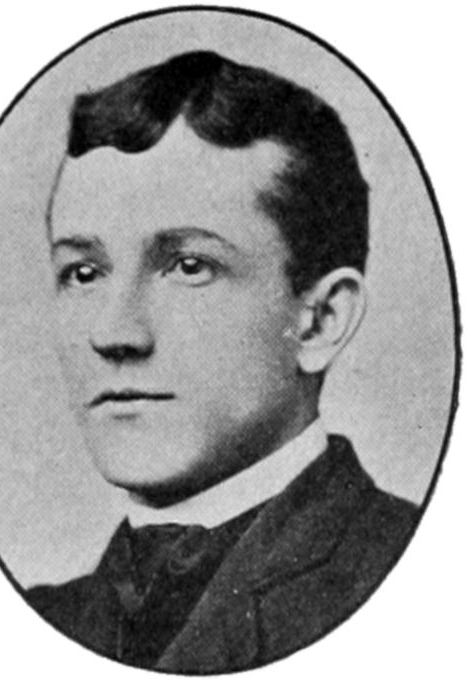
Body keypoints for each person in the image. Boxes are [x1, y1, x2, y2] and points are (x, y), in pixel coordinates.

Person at [26, 50, 419, 673]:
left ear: (320, 321)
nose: (114, 334)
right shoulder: (33, 622)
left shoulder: (429, 582)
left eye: (190, 266)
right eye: (83, 272)